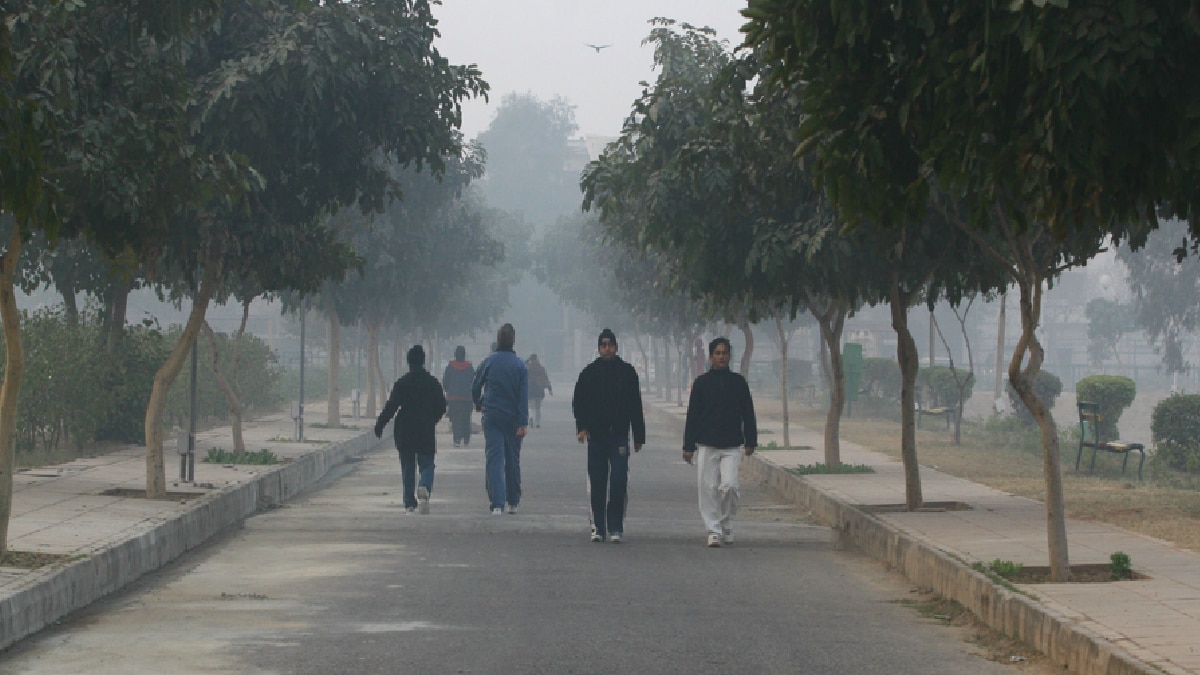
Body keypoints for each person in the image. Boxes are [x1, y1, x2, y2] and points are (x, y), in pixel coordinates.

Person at [682, 337, 757, 548]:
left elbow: (748, 413)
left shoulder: (738, 383)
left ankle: (727, 523)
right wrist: (688, 446)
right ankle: (713, 530)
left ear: (729, 356)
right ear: (711, 356)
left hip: (731, 445)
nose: (721, 357)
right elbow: (693, 416)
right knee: (707, 488)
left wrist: (751, 440)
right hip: (707, 444)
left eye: (725, 353)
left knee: (729, 486)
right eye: (717, 353)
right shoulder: (702, 383)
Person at [572, 328, 645, 543]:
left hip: (619, 436)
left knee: (619, 479)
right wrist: (582, 427)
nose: (607, 349)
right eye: (603, 345)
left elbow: (635, 405)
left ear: (616, 347)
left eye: (610, 345)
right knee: (598, 481)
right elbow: (579, 402)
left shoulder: (627, 372)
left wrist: (639, 435)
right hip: (596, 437)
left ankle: (616, 526)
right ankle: (598, 526)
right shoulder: (589, 373)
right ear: (598, 348)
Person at [375, 345, 448, 515]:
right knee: (427, 464)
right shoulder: (432, 383)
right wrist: (432, 419)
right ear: (423, 361)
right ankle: (424, 486)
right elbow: (442, 406)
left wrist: (380, 424)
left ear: (408, 362)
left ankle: (409, 504)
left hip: (405, 431)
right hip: (425, 430)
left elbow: (391, 407)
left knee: (408, 468)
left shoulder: (402, 383)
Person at [472, 323, 528, 515]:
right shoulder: (520, 365)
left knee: (494, 458)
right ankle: (513, 501)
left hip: (492, 415)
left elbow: (475, 385)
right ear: (513, 340)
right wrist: (523, 423)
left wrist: (479, 402)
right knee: (512, 459)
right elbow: (523, 397)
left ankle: (497, 503)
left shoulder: (489, 362)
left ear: (498, 340)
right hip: (513, 418)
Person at [443, 346, 476, 447]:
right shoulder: (469, 367)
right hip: (467, 397)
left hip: (454, 397)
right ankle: (466, 439)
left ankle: (457, 439)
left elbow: (445, 381)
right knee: (466, 418)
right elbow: (473, 381)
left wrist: (448, 390)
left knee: (456, 418)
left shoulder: (450, 367)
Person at [526, 353, 553, 428]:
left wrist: (527, 360)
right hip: (539, 389)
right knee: (538, 408)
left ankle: (531, 417)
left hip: (530, 389)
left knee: (530, 406)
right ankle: (537, 423)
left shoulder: (528, 368)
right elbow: (546, 378)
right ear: (537, 359)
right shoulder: (541, 368)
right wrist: (550, 389)